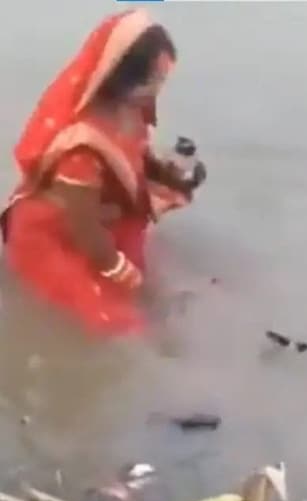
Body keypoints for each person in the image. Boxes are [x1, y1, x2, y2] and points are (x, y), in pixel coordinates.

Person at [1, 9, 207, 337]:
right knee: (117, 322)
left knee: (153, 276)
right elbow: (83, 229)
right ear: (120, 76)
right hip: (57, 234)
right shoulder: (82, 147)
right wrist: (126, 276)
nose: (158, 88)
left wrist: (170, 176)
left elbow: (137, 155)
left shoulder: (130, 110)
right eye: (152, 80)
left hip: (100, 214)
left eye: (162, 79)